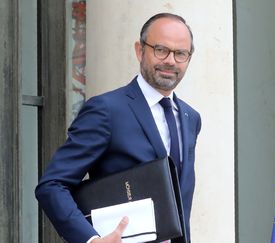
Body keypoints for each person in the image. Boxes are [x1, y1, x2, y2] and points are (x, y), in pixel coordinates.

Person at [35, 13, 201, 243]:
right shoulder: (106, 110)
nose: (170, 61)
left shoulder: (190, 118)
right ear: (140, 50)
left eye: (180, 53)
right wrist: (91, 239)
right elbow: (52, 185)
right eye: (161, 50)